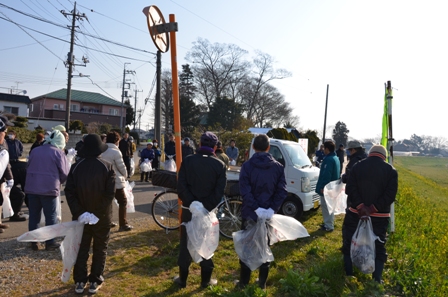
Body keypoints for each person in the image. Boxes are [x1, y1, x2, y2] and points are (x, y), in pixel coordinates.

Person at [65, 134, 116, 294]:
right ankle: (95, 280)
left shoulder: (76, 167)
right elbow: (109, 194)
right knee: (100, 248)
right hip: (102, 216)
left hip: (81, 217)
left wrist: (80, 212)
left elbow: (69, 192)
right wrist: (95, 212)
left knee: (81, 248)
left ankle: (80, 281)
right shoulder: (107, 166)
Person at [175, 131, 226, 289]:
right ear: (215, 147)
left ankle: (182, 280)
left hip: (189, 210)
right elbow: (219, 192)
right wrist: (205, 207)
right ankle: (205, 280)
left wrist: (192, 203)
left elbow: (181, 186)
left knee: (186, 242)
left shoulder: (188, 161)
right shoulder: (219, 165)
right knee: (207, 241)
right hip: (208, 211)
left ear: (199, 144)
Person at [237, 134, 287, 289]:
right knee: (265, 246)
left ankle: (244, 282)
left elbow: (245, 190)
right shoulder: (278, 167)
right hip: (268, 216)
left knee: (246, 245)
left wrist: (255, 208)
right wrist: (271, 209)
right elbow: (282, 191)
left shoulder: (247, 166)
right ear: (268, 147)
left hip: (250, 213)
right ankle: (262, 283)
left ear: (253, 147)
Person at [342, 144, 398, 283]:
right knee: (379, 246)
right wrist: (373, 208)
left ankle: (349, 275)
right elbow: (390, 195)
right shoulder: (390, 171)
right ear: (384, 156)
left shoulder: (358, 166)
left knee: (349, 242)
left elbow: (350, 188)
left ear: (370, 154)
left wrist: (361, 206)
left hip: (356, 213)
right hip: (379, 217)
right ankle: (376, 280)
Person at [25, 130, 69, 250]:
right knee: (51, 216)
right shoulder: (58, 153)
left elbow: (28, 166)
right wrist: (59, 181)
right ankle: (50, 242)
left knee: (34, 215)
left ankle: (33, 241)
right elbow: (65, 172)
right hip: (49, 188)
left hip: (32, 187)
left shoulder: (35, 150)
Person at [101, 131, 133, 231]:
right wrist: (126, 175)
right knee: (123, 201)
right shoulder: (116, 152)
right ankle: (123, 224)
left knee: (107, 202)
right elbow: (121, 167)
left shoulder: (102, 150)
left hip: (103, 181)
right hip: (116, 181)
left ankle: (107, 222)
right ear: (117, 140)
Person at [315, 140, 340, 232]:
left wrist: (323, 187)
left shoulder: (328, 160)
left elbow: (326, 175)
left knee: (326, 206)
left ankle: (328, 226)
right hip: (333, 186)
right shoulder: (335, 158)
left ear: (327, 149)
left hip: (328, 187)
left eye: (324, 148)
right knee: (330, 206)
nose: (323, 150)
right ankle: (328, 223)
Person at [0, 115, 15, 233]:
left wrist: (9, 178)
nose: (6, 132)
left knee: (0, 200)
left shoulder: (4, 142)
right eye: (4, 131)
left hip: (1, 176)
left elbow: (6, 162)